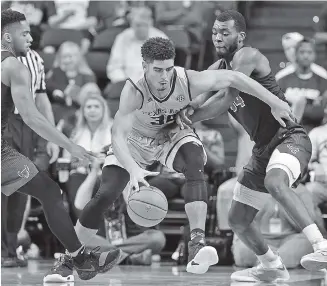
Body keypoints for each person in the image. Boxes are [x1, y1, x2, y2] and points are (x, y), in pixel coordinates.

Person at [45, 35, 294, 281]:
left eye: (168, 69)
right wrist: (133, 170)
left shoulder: (187, 80)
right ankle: (70, 260)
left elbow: (235, 77)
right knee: (106, 194)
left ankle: (197, 243)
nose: (164, 77)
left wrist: (274, 101)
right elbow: (117, 136)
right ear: (144, 67)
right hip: (136, 142)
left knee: (195, 161)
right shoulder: (133, 91)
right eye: (157, 70)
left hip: (171, 134)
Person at [176, 10, 327, 282]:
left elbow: (224, 98)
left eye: (225, 32)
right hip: (262, 149)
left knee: (275, 182)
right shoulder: (217, 69)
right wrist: (182, 111)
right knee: (237, 219)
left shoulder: (248, 56)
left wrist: (190, 119)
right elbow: (197, 95)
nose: (218, 37)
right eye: (215, 32)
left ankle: (322, 246)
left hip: (289, 137)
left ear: (240, 36)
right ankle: (270, 264)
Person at [1, 9, 120, 282]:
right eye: (25, 33)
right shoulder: (13, 66)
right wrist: (71, 146)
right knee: (50, 192)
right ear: (7, 37)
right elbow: (31, 117)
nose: (32, 37)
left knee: (47, 191)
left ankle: (79, 258)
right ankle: (80, 259)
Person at [1, 48, 58, 268]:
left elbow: (42, 100)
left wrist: (51, 136)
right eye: (23, 32)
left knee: (20, 188)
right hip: (5, 122)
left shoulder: (35, 59)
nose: (29, 38)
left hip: (27, 125)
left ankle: (11, 248)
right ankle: (2, 250)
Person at [277, 38, 327, 132]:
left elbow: (321, 113)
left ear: (315, 55)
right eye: (302, 52)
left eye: (309, 52)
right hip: (287, 132)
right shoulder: (282, 80)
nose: (305, 55)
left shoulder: (323, 80)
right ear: (295, 54)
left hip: (316, 132)